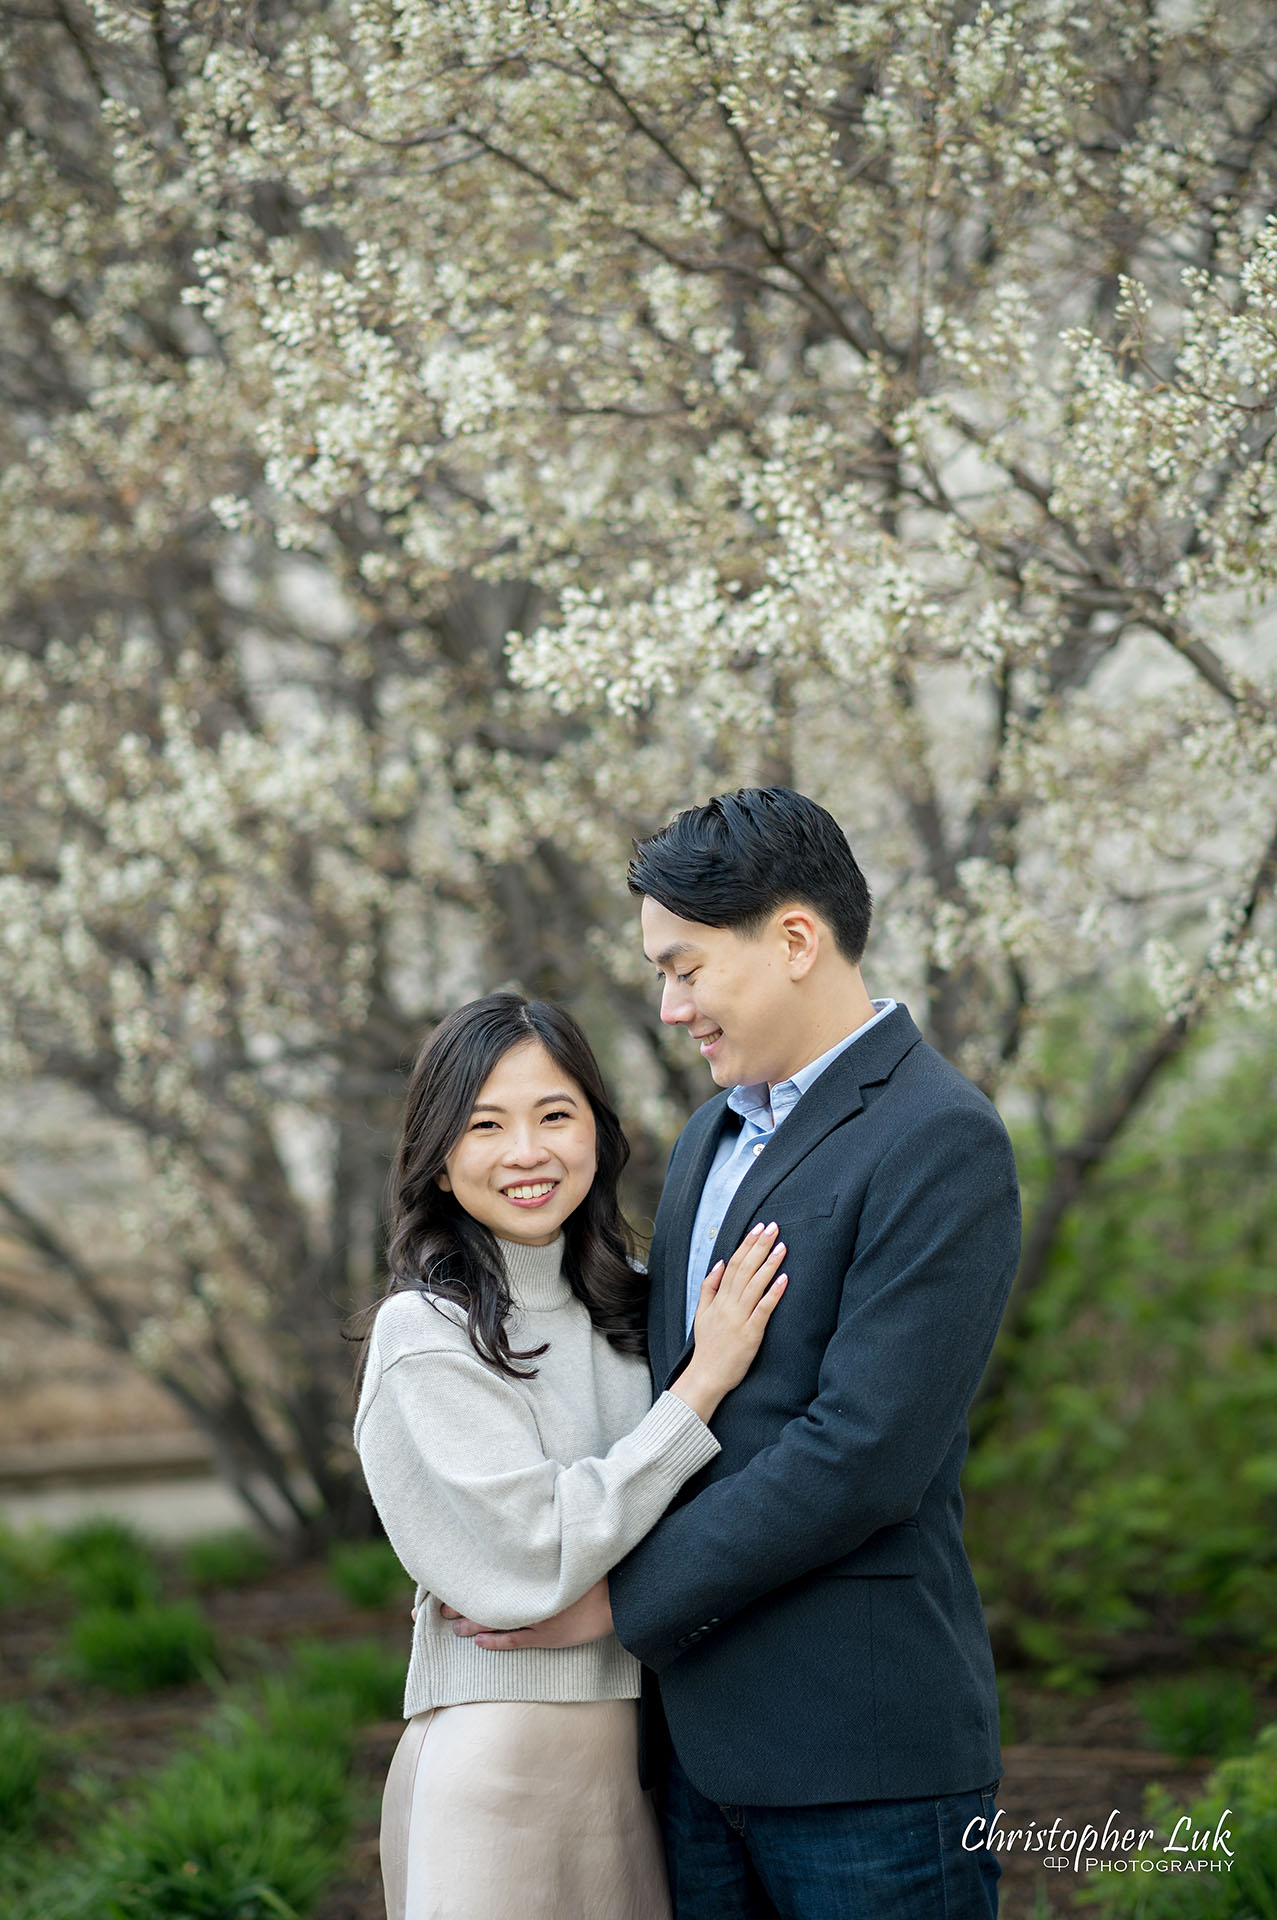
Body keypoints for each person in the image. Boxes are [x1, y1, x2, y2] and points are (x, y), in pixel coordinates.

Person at [444, 788, 1022, 1919]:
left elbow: (862, 1455)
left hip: (859, 1761)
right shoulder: (716, 1129)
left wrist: (610, 1602)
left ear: (794, 940)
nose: (669, 1007)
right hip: (690, 1756)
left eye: (686, 967)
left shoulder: (937, 1137)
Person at [352, 990, 789, 1920]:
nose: (526, 1152)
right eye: (484, 1125)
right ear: (435, 1158)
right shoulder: (425, 1335)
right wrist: (697, 1392)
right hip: (495, 1768)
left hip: (642, 1773)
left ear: (598, 1131)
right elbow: (533, 1556)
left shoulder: (645, 1311)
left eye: (555, 1114)